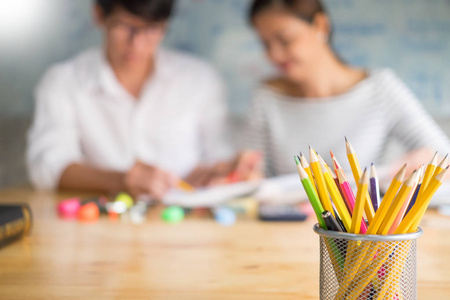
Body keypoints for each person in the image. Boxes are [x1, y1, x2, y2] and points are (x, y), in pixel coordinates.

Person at [27, 0, 261, 199]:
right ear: (99, 14)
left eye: (152, 28)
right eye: (125, 26)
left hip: (186, 233)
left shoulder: (199, 79)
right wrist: (121, 181)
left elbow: (218, 155)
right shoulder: (64, 81)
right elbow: (46, 167)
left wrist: (223, 172)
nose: (137, 43)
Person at [246, 0, 450, 179]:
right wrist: (246, 174)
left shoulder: (380, 89)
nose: (274, 55)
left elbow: (445, 160)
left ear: (320, 25)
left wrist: (426, 161)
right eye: (265, 44)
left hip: (362, 222)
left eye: (285, 40)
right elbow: (259, 176)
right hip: (284, 222)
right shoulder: (266, 96)